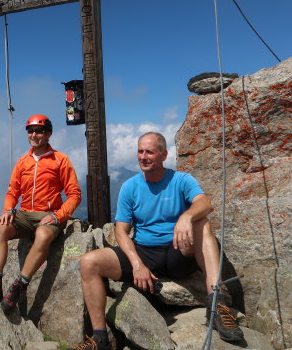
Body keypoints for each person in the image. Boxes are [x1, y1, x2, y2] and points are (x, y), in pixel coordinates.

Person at [71, 132, 244, 350]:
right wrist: (137, 264)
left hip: (177, 251)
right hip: (144, 251)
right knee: (89, 262)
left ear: (163, 155)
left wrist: (187, 216)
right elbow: (121, 231)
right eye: (140, 151)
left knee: (203, 223)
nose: (143, 156)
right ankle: (99, 338)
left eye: (150, 152)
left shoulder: (181, 180)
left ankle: (217, 305)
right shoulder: (130, 187)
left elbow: (205, 204)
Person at [0, 114, 81, 313]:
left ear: (48, 134)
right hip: (24, 213)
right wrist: (8, 210)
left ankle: (19, 286)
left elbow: (74, 195)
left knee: (43, 234)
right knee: (0, 228)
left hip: (49, 214)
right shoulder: (23, 162)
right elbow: (13, 191)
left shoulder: (60, 160)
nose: (33, 134)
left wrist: (58, 216)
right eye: (30, 130)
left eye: (39, 131)